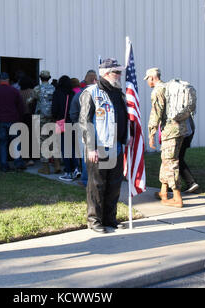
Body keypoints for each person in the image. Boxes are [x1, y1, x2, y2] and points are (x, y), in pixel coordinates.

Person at [79, 58, 129, 233]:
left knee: (114, 184)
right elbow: (85, 122)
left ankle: (110, 218)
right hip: (98, 147)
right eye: (117, 72)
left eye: (120, 72)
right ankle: (94, 220)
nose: (120, 75)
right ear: (106, 74)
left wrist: (126, 137)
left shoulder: (119, 93)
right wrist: (91, 147)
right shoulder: (91, 93)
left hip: (116, 146)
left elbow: (123, 117)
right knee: (96, 185)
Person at [145, 68, 187, 208]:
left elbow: (156, 113)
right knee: (166, 160)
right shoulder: (168, 87)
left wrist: (151, 133)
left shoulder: (158, 90)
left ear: (152, 77)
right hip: (180, 129)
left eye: (148, 79)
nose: (148, 82)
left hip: (170, 131)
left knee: (171, 162)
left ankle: (177, 197)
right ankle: (163, 191)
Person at [0, 72, 26, 172]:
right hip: (13, 120)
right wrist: (20, 118)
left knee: (3, 143)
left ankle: (4, 164)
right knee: (15, 142)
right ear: (8, 80)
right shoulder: (14, 91)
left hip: (0, 120)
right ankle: (17, 163)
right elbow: (20, 107)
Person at [70, 70, 98, 187]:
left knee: (87, 153)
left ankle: (86, 179)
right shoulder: (101, 94)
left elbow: (73, 113)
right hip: (100, 128)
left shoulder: (79, 95)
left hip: (84, 128)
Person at [33, 70, 61, 174]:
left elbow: (31, 100)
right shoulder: (54, 88)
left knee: (42, 141)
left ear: (40, 77)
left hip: (41, 117)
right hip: (53, 117)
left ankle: (45, 167)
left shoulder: (37, 88)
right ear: (49, 78)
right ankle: (57, 163)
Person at [52, 76, 77, 182]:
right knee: (73, 147)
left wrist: (55, 117)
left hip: (61, 122)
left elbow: (54, 109)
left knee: (64, 147)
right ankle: (76, 168)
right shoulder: (73, 93)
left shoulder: (57, 93)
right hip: (73, 122)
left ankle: (68, 170)